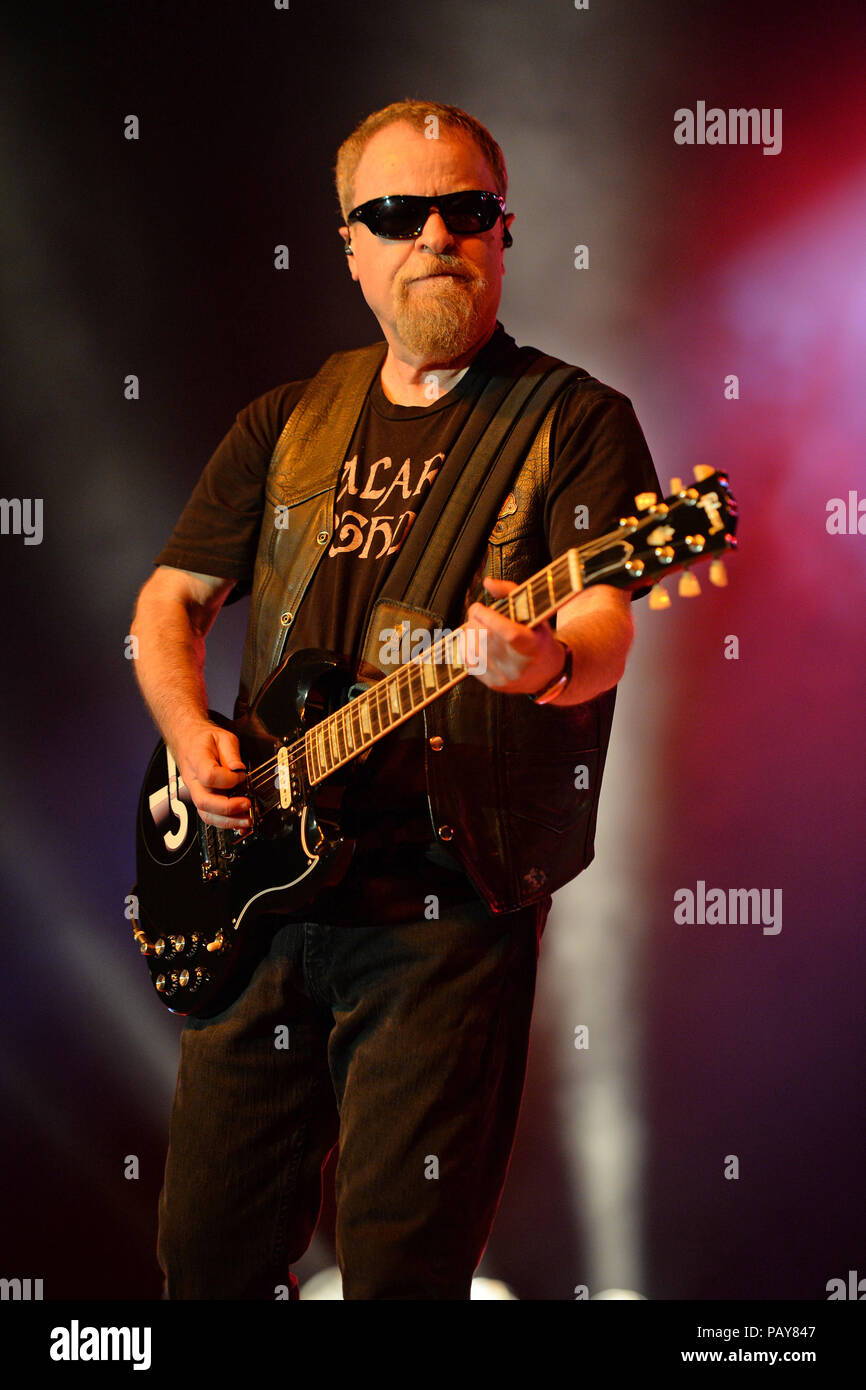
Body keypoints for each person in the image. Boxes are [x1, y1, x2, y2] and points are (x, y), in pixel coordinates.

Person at [130, 99, 661, 1300]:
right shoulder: (289, 418)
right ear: (352, 247)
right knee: (203, 1259)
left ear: (502, 233)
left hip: (441, 917)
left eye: (463, 209)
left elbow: (600, 624)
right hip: (259, 895)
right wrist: (184, 730)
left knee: (399, 1276)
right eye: (395, 212)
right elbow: (169, 602)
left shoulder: (572, 421)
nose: (433, 232)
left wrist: (533, 663)